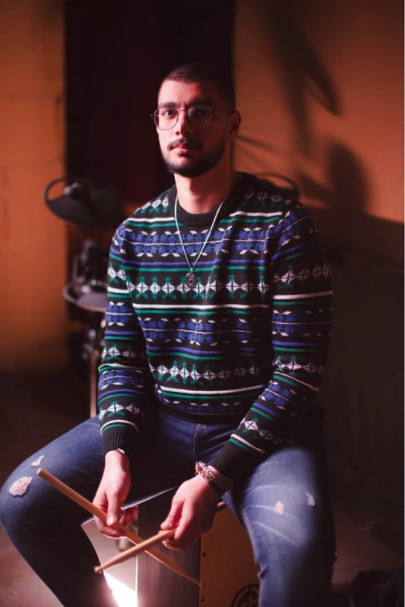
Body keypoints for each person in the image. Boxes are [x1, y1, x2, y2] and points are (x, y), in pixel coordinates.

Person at [0, 61, 335, 607]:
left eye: (201, 111)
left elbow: (297, 376)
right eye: (169, 112)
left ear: (231, 123)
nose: (183, 125)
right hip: (162, 421)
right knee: (21, 505)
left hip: (261, 431)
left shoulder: (284, 226)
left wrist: (214, 478)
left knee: (299, 560)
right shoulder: (134, 234)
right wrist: (116, 453)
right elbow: (121, 359)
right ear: (156, 124)